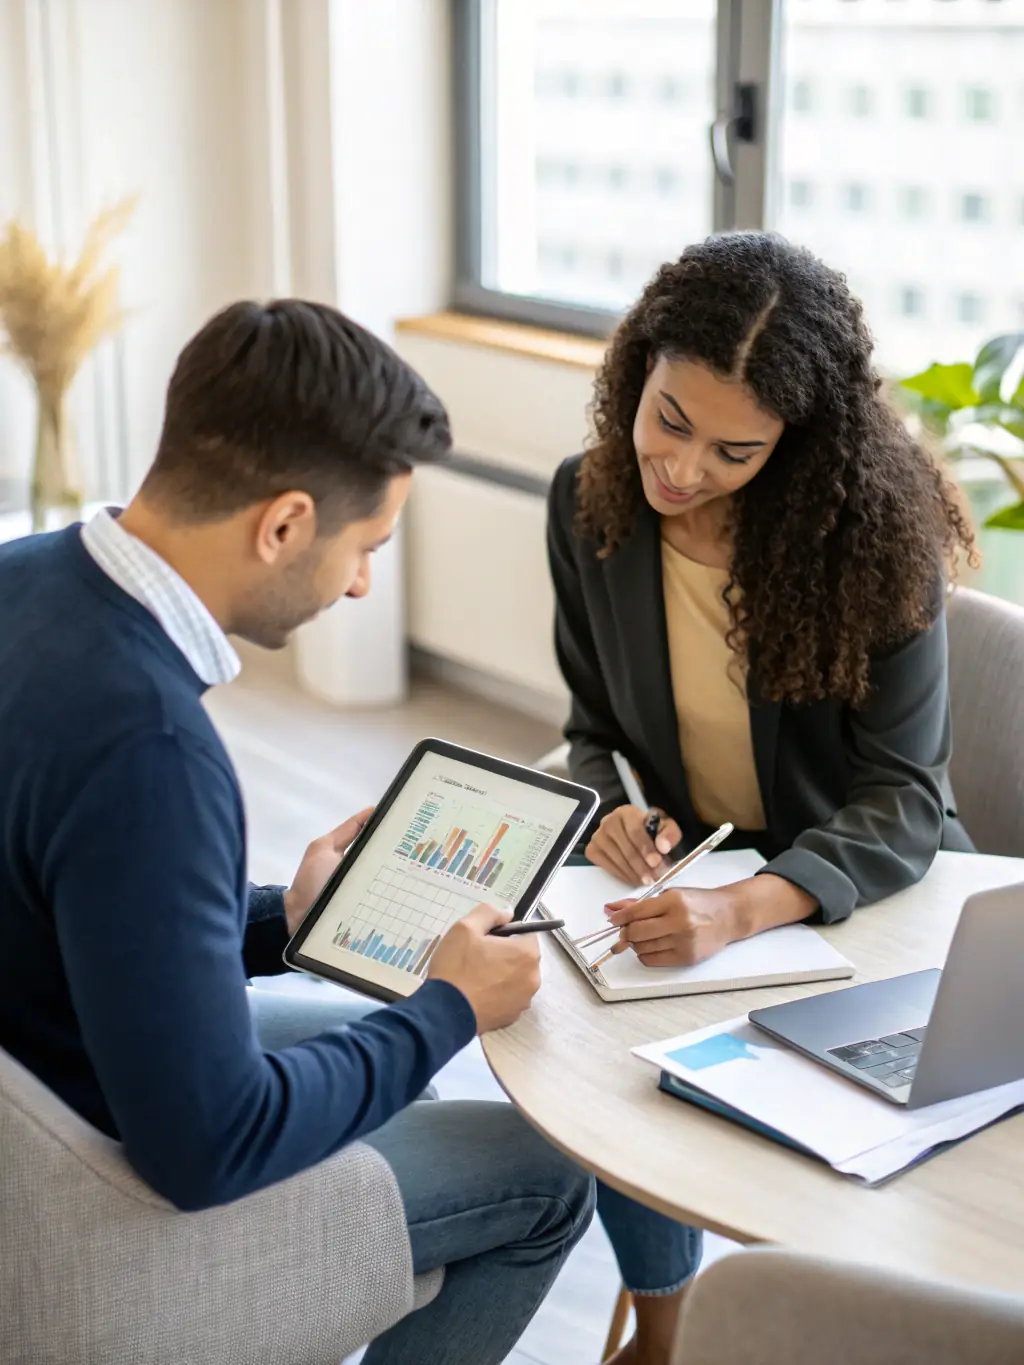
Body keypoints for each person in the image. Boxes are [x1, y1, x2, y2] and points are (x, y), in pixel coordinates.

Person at [0, 299, 595, 1365]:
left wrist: (283, 920)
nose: (364, 581)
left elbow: (68, 901)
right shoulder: (150, 747)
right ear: (281, 525)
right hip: (86, 1205)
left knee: (323, 1007)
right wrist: (446, 1008)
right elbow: (207, 1148)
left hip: (41, 1079)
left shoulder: (23, 581)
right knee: (547, 1171)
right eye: (363, 545)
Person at [546, 231, 976, 1364]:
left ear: (796, 444)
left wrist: (746, 906)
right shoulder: (587, 508)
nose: (681, 469)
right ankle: (667, 1324)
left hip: (865, 895)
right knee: (610, 1059)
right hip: (699, 873)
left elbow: (904, 799)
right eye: (667, 420)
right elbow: (592, 729)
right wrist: (608, 813)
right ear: (638, 368)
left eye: (734, 451)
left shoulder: (871, 545)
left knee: (858, 1151)